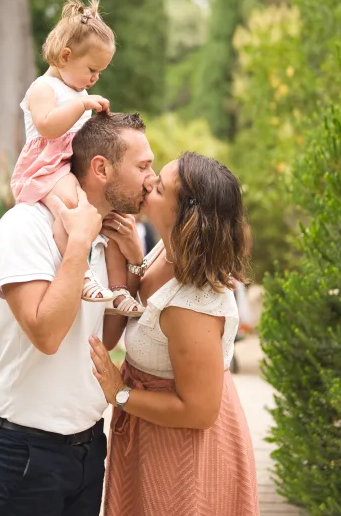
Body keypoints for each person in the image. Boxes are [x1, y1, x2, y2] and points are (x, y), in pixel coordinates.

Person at [0, 112, 156, 516]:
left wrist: (131, 260)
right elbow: (47, 335)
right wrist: (78, 242)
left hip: (89, 447)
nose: (151, 178)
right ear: (101, 168)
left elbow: (104, 338)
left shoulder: (107, 236)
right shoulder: (25, 227)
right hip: (27, 452)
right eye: (143, 166)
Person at [88, 151, 261, 516]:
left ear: (184, 216)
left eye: (160, 188)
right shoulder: (168, 250)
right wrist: (134, 260)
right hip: (154, 432)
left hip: (183, 451)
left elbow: (199, 412)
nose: (148, 181)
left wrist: (119, 393)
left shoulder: (193, 306)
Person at [9, 0, 142, 318]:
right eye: (92, 70)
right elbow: (47, 126)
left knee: (113, 217)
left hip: (73, 165)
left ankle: (119, 289)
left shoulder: (80, 91)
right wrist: (81, 105)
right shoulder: (43, 88)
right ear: (66, 56)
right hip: (48, 167)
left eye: (100, 73)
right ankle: (80, 272)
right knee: (71, 204)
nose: (95, 79)